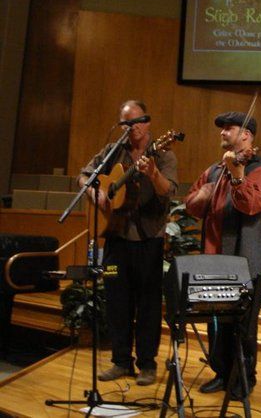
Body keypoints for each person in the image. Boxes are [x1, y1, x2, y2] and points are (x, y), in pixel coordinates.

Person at [78, 100, 178, 386]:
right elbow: (83, 176)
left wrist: (153, 174)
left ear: (147, 123)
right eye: (125, 123)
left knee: (148, 304)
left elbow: (169, 191)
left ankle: (147, 364)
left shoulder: (164, 154)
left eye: (134, 122)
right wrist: (96, 194)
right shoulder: (113, 151)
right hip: (116, 237)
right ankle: (121, 361)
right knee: (116, 300)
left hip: (148, 239)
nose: (130, 128)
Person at [184, 111, 261, 398]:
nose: (222, 133)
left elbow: (251, 205)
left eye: (229, 128)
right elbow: (191, 204)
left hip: (245, 261)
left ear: (246, 135)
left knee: (242, 326)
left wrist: (237, 176)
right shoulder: (214, 170)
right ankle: (222, 373)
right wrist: (201, 196)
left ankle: (243, 380)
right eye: (222, 129)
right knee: (216, 324)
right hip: (213, 259)